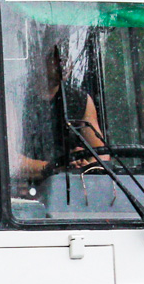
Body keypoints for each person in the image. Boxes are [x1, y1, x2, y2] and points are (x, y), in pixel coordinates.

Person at [14, 43, 104, 181]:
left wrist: (86, 165)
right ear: (37, 59)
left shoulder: (80, 100)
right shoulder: (14, 97)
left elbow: (101, 153)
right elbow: (9, 160)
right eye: (56, 57)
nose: (65, 63)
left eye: (67, 57)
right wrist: (57, 166)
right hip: (21, 192)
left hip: (70, 191)